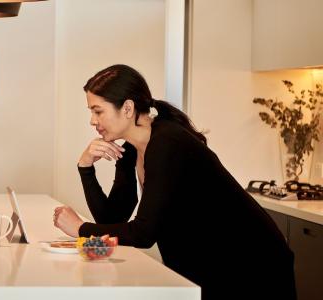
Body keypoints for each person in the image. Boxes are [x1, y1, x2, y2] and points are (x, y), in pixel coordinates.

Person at [53, 64, 296, 300]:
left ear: (127, 108)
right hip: (210, 267)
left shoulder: (167, 143)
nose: (92, 121)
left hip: (250, 266)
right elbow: (111, 222)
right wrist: (85, 168)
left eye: (98, 111)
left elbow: (142, 233)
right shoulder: (130, 152)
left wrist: (80, 230)